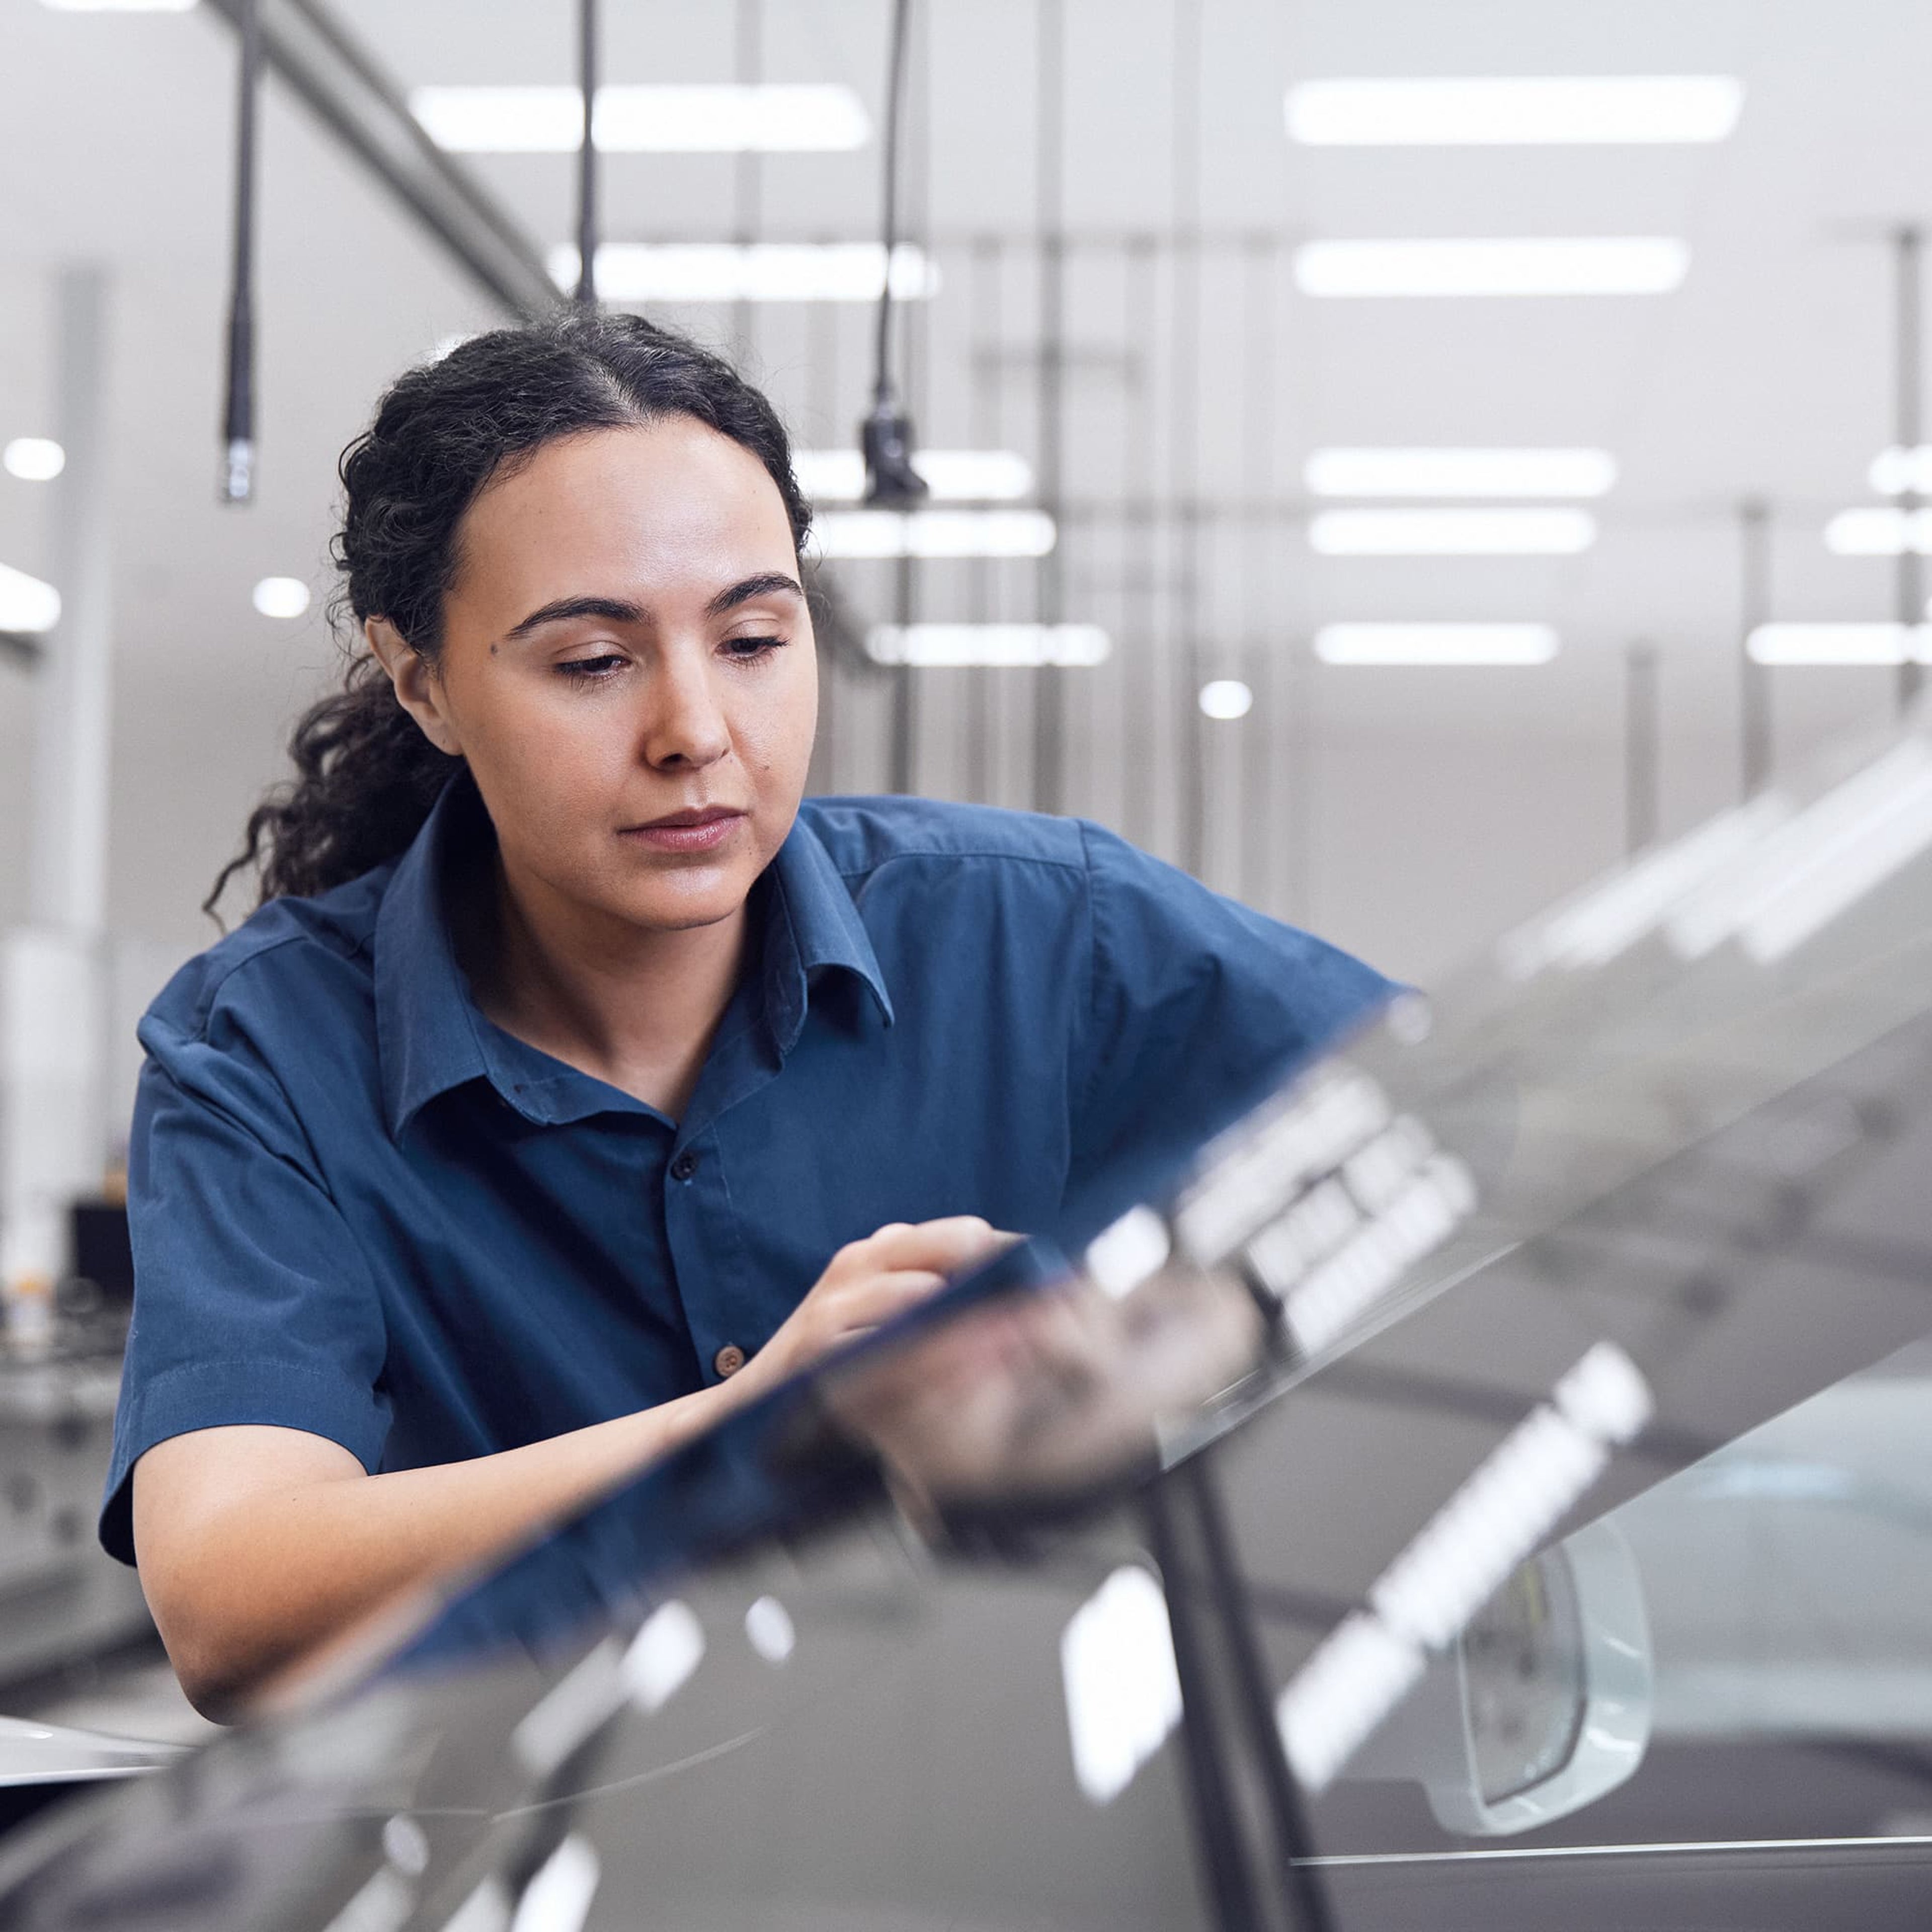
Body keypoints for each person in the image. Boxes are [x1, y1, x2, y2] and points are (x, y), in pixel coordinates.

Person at [103, 309, 1390, 1717]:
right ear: (423, 681)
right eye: (595, 662)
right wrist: (768, 1422)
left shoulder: (1049, 931)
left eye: (755, 638)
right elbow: (229, 1603)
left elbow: (1493, 1154)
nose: (698, 730)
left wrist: (1174, 1329)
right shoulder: (267, 1048)